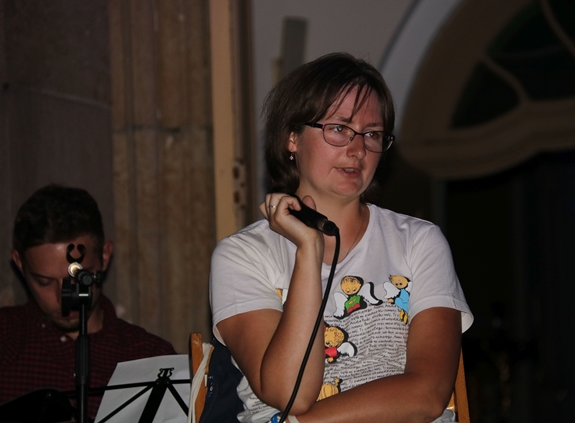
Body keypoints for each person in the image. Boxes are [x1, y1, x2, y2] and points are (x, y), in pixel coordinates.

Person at [209, 53, 473, 423]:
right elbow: (290, 393)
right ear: (292, 138)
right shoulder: (243, 255)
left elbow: (427, 395)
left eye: (372, 134)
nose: (358, 149)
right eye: (339, 128)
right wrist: (308, 251)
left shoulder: (419, 241)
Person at [0, 184, 176, 419]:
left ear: (105, 256)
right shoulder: (6, 338)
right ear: (20, 264)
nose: (64, 297)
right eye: (45, 282)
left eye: (78, 278)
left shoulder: (150, 356)